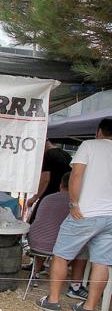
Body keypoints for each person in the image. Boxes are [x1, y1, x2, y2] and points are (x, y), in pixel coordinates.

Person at [37, 119, 112, 311]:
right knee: (102, 263)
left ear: (98, 132)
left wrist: (73, 202)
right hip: (110, 216)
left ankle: (53, 301)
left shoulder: (89, 145)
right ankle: (89, 307)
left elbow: (76, 175)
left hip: (85, 212)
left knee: (61, 255)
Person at [27, 172, 88, 296]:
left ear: (61, 185)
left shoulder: (47, 197)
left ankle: (35, 274)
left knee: (46, 232)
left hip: (35, 243)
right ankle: (75, 287)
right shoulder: (80, 204)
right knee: (83, 247)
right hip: (55, 247)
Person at [28, 140, 72, 223]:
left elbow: (45, 179)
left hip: (49, 196)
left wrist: (34, 198)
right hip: (65, 198)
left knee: (36, 221)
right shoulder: (66, 155)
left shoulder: (48, 155)